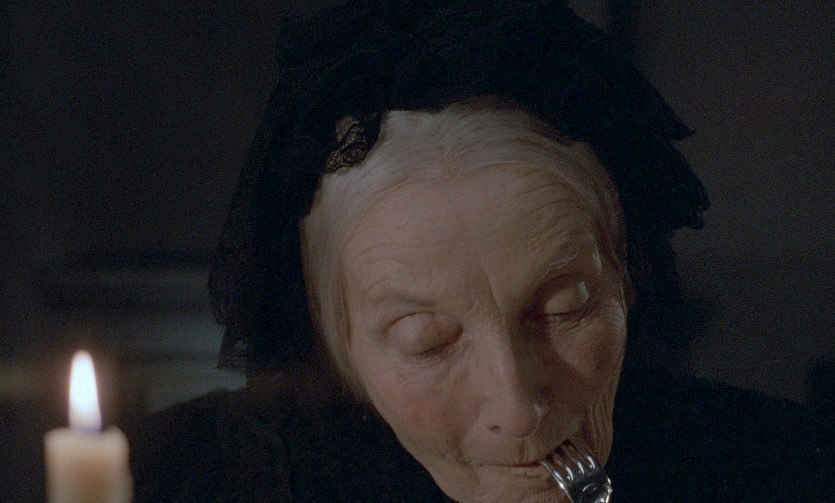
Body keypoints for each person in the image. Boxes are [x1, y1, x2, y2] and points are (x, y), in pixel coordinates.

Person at [131, 1, 832, 501]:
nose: (519, 406)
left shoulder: (786, 467)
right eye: (426, 339)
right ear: (336, 341)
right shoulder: (179, 478)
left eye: (565, 309)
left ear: (626, 275)